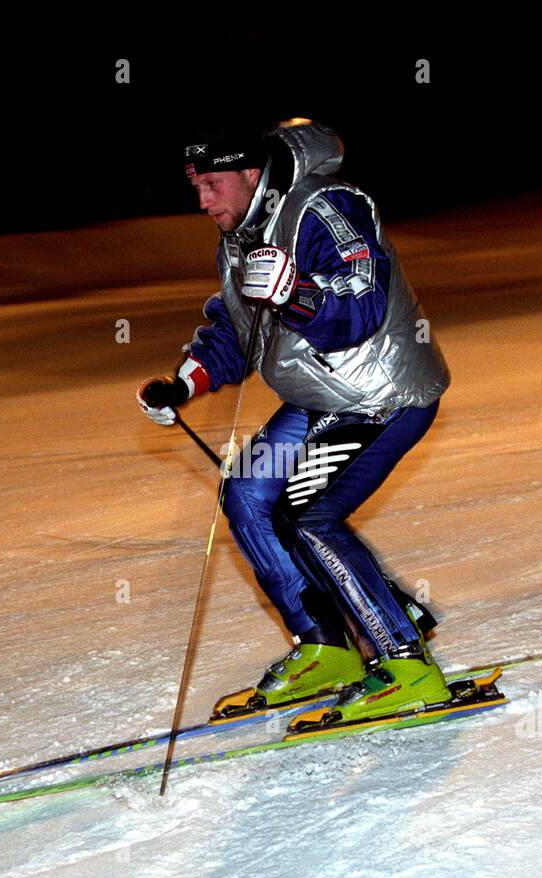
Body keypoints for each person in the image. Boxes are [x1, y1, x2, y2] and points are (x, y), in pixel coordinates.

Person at [137, 119, 452, 725]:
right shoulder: (238, 237)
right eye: (195, 186)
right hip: (321, 397)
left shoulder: (324, 207)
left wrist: (295, 293)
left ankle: (406, 663)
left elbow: (361, 301)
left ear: (249, 174)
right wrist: (184, 382)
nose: (202, 201)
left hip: (382, 392)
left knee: (310, 514)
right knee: (249, 494)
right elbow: (235, 326)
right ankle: (327, 646)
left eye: (212, 184)